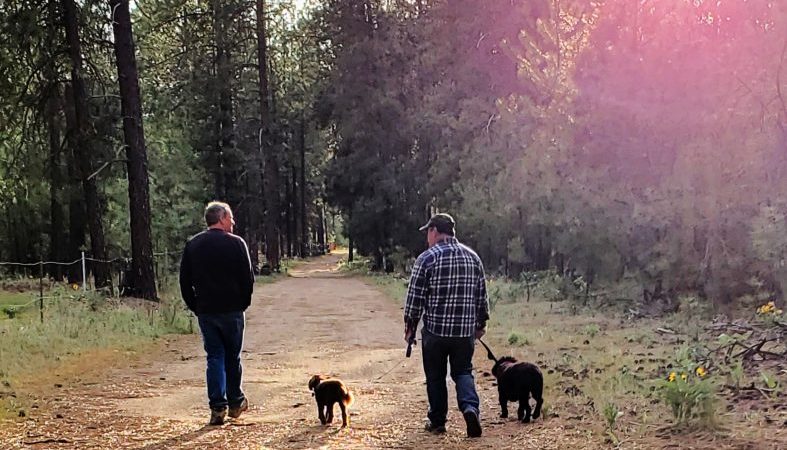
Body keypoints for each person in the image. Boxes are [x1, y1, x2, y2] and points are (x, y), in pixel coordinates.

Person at [404, 213, 490, 438]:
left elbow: (415, 300)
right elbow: (481, 295)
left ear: (434, 231)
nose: (427, 239)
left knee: (435, 375)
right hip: (464, 333)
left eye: (428, 234)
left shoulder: (426, 259)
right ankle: (470, 409)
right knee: (463, 371)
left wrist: (410, 327)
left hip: (436, 332)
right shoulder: (473, 258)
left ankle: (438, 421)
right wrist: (481, 323)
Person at [180, 201, 255, 425]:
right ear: (221, 218)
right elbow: (248, 279)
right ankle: (235, 401)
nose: (233, 221)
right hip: (232, 310)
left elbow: (184, 281)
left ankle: (217, 407)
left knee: (214, 357)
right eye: (230, 217)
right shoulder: (237, 244)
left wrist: (196, 305)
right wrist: (243, 302)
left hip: (207, 311)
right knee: (233, 357)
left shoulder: (193, 244)